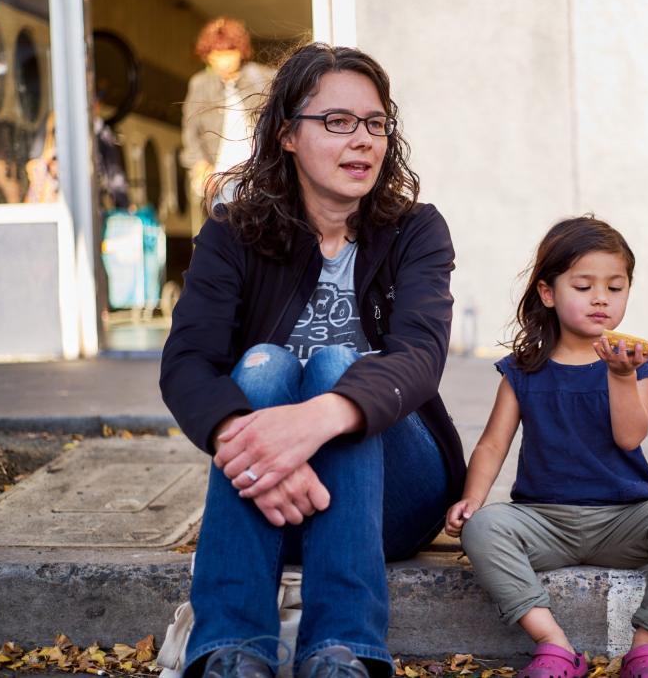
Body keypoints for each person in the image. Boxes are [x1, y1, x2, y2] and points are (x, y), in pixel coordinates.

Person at [160, 44, 464, 678]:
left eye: (375, 123)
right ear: (286, 135)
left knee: (334, 365)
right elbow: (187, 361)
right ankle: (233, 649)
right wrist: (251, 441)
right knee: (265, 366)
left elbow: (419, 355)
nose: (363, 141)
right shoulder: (234, 235)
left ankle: (345, 648)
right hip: (272, 491)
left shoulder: (415, 232)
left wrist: (319, 419)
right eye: (337, 122)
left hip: (394, 495)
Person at [445, 216, 648, 678]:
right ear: (548, 293)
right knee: (484, 529)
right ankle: (554, 646)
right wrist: (472, 499)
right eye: (584, 285)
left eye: (615, 287)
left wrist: (622, 376)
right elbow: (493, 444)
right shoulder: (523, 369)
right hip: (544, 520)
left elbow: (630, 436)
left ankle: (647, 649)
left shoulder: (637, 365)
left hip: (624, 518)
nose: (601, 299)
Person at [180, 17, 274, 203]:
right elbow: (190, 132)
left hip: (261, 176)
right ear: (208, 56)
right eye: (217, 53)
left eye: (230, 52)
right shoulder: (200, 85)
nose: (224, 60)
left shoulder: (264, 78)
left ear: (241, 51)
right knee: (226, 226)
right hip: (221, 180)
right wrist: (200, 167)